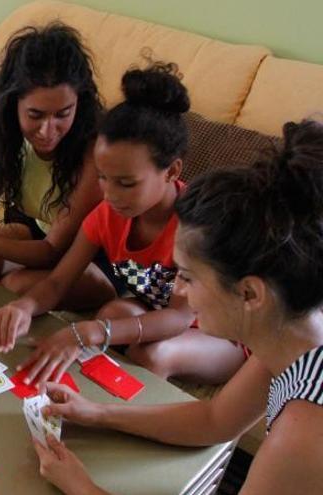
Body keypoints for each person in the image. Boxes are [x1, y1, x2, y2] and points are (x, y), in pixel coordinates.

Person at [30, 118, 323, 494]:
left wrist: (80, 486)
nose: (180, 291)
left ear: (250, 294)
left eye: (187, 276)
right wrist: (97, 413)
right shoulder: (289, 329)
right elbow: (214, 420)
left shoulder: (303, 437)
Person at [0, 62, 245, 386]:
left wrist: (91, 332)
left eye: (126, 183)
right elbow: (57, 282)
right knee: (110, 315)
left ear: (172, 172)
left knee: (150, 354)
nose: (110, 194)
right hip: (151, 308)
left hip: (216, 330)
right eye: (104, 179)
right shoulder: (108, 214)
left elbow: (180, 316)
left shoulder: (196, 225)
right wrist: (25, 306)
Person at [0, 23, 113, 326]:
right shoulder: (7, 139)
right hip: (38, 233)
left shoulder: (94, 154)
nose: (48, 131)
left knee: (15, 286)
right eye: (35, 115)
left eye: (63, 114)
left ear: (80, 103)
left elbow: (52, 252)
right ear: (14, 105)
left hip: (91, 260)